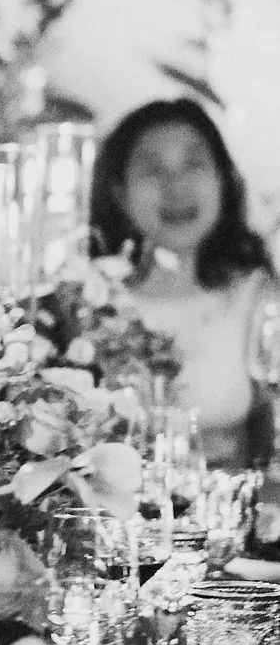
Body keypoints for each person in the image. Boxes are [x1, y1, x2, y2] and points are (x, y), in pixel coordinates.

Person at [92, 96, 276, 466]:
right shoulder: (88, 303)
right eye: (152, 169)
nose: (176, 185)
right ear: (120, 193)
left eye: (194, 164)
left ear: (223, 180)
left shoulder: (257, 300)